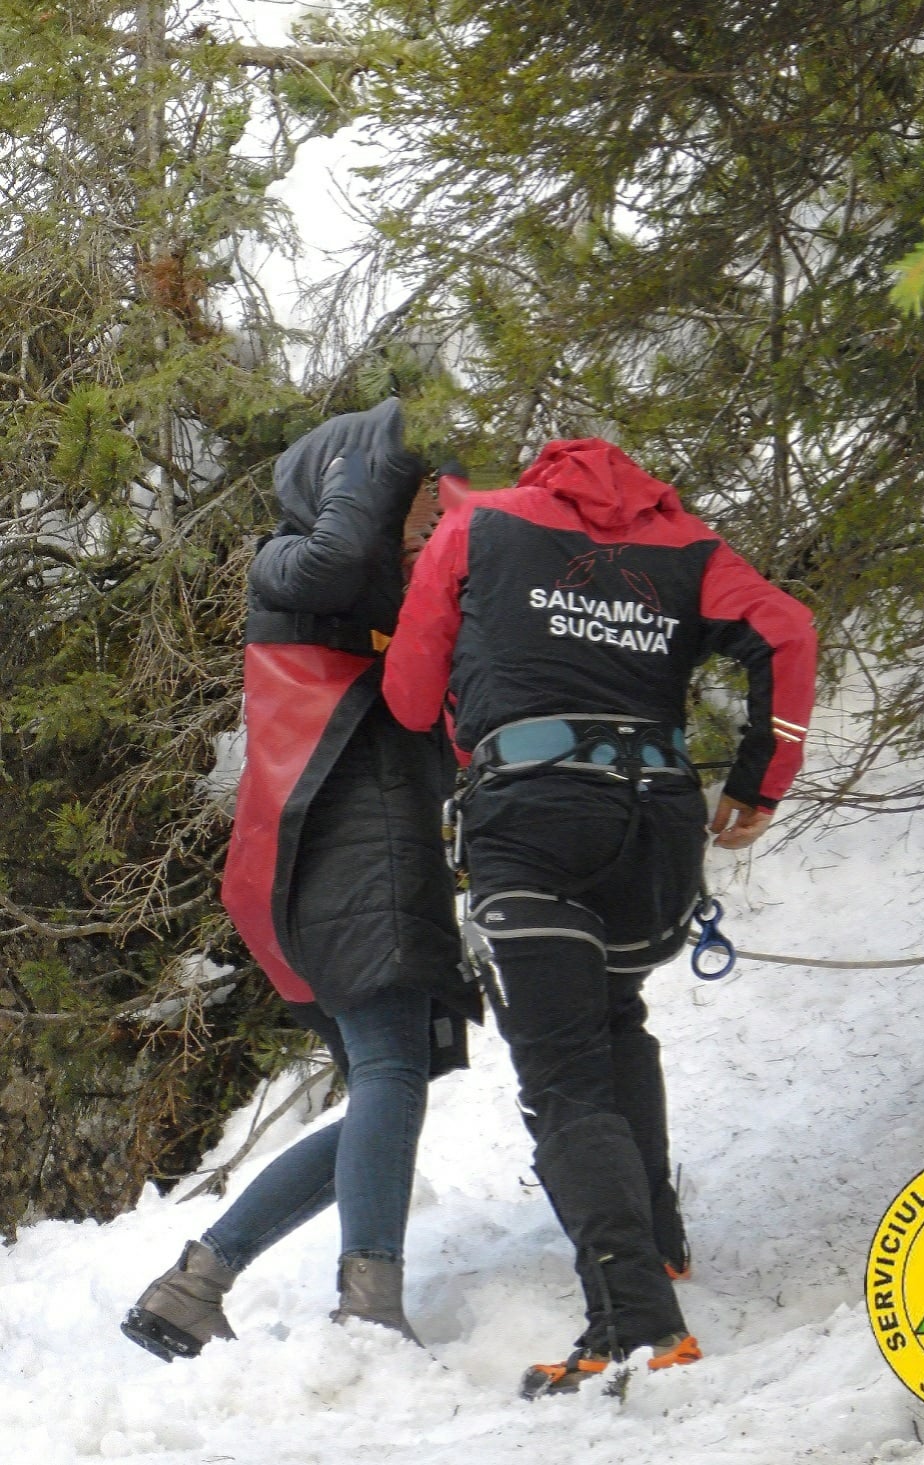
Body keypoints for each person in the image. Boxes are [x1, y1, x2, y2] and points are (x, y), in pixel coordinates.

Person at [381, 437, 817, 1396]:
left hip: (531, 815)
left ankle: (635, 1327)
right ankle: (655, 1242)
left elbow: (409, 699)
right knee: (614, 1015)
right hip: (655, 824)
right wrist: (760, 780)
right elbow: (786, 630)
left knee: (565, 1074)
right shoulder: (690, 544)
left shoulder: (477, 524)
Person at [122, 400, 480, 1362]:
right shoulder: (301, 567)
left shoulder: (371, 602)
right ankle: (368, 1309)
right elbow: (345, 550)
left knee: (387, 1086)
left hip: (341, 851)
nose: (434, 522)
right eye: (423, 501)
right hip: (349, 847)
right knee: (392, 1071)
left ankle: (194, 1284)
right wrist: (380, 446)